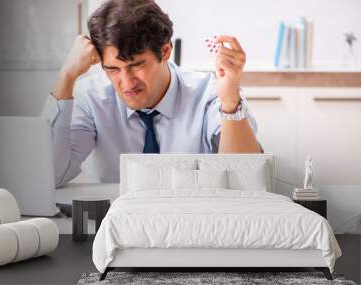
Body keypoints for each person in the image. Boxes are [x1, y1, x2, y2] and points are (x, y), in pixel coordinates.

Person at [42, 0, 262, 187]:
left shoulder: (209, 94)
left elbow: (246, 179)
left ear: (165, 51)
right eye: (113, 69)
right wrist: (66, 76)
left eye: (137, 65)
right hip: (117, 225)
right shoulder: (91, 98)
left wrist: (231, 100)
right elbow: (50, 177)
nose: (127, 82)